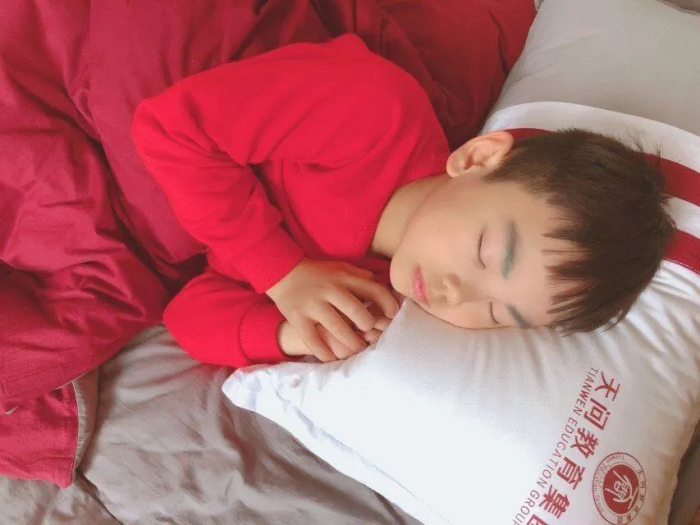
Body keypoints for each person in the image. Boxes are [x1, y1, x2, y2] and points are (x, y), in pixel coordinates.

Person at [133, 35, 674, 366]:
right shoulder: (374, 112)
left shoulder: (374, 296)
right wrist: (282, 274)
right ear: (477, 158)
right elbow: (172, 127)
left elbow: (184, 312)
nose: (455, 293)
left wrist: (290, 333)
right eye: (485, 253)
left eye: (493, 312)